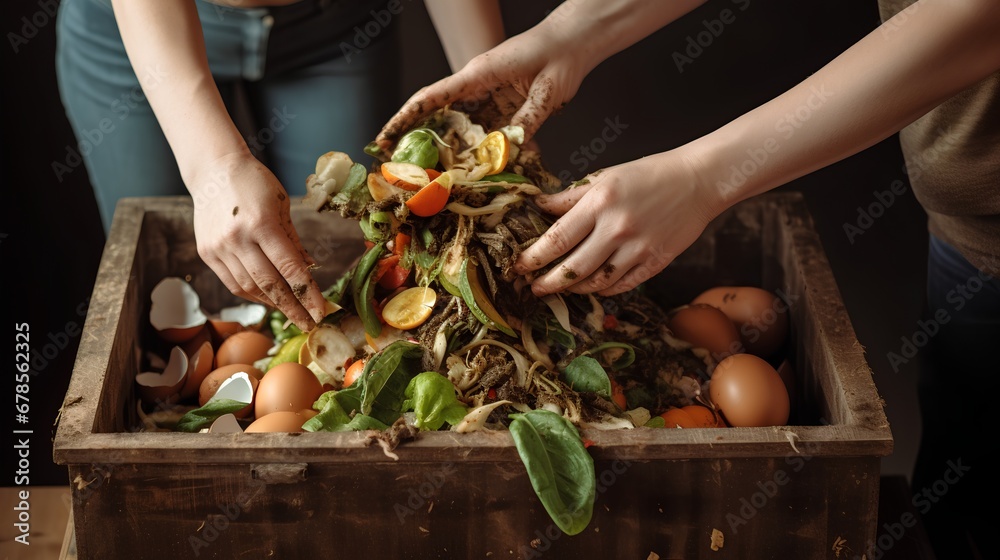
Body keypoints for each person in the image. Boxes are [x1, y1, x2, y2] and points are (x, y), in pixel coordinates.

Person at [374, 1, 1000, 558]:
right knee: (959, 497)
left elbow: (976, 17)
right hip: (970, 230)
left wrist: (704, 178)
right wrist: (573, 30)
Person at [55, 0, 504, 332]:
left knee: (354, 256)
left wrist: (490, 83)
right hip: (138, 30)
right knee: (159, 298)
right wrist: (213, 165)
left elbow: (489, 95)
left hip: (334, 31)